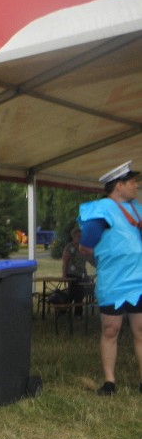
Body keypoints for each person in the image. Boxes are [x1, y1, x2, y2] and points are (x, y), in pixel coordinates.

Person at [77, 161, 142, 396]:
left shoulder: (137, 208)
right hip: (114, 282)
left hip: (139, 281)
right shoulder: (102, 209)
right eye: (132, 182)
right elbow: (85, 246)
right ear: (119, 186)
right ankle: (109, 383)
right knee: (111, 329)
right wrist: (105, 260)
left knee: (141, 329)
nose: (136, 185)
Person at [61, 226, 94, 315]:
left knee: (81, 293)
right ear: (74, 237)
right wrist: (64, 275)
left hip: (82, 274)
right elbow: (65, 261)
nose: (80, 238)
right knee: (73, 292)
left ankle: (78, 313)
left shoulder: (83, 248)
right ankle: (64, 310)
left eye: (81, 236)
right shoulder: (69, 247)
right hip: (72, 274)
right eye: (78, 236)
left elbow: (89, 259)